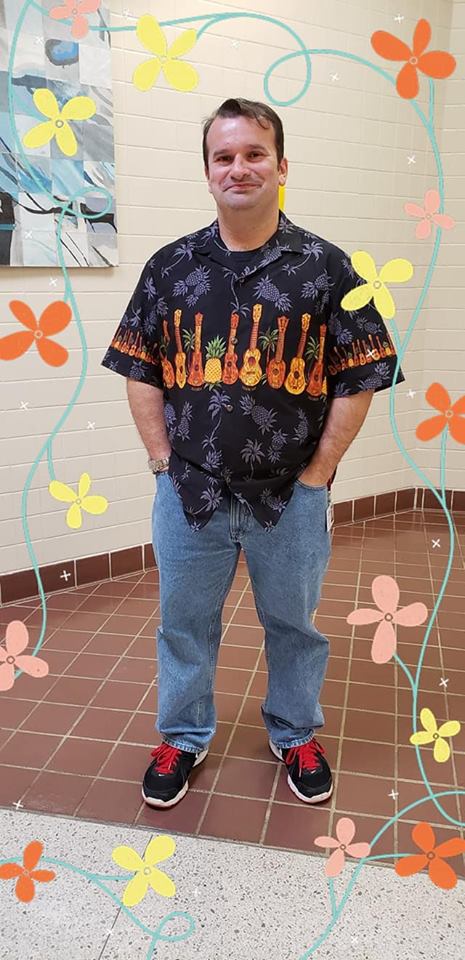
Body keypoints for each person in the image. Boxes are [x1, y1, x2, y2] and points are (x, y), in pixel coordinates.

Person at [102, 97, 405, 810]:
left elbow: (361, 374)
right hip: (190, 493)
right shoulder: (169, 267)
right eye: (223, 156)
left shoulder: (327, 268)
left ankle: (295, 732)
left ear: (281, 165)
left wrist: (318, 475)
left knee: (294, 626)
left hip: (290, 497)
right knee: (184, 626)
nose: (238, 167)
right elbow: (139, 368)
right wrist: (160, 463)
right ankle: (182, 737)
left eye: (253, 154)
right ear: (207, 171)